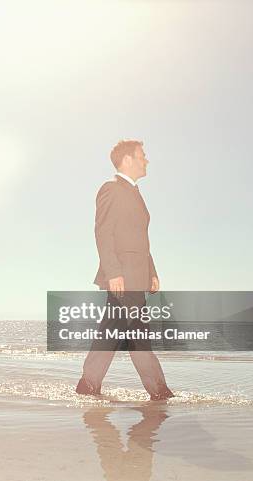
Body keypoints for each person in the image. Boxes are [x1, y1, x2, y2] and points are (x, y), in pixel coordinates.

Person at [76, 140, 174, 400]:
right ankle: (160, 392)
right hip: (123, 276)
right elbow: (103, 232)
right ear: (127, 160)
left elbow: (141, 239)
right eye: (143, 155)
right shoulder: (111, 189)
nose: (147, 160)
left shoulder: (136, 194)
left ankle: (87, 386)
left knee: (111, 333)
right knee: (139, 336)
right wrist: (113, 272)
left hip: (136, 275)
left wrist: (152, 272)